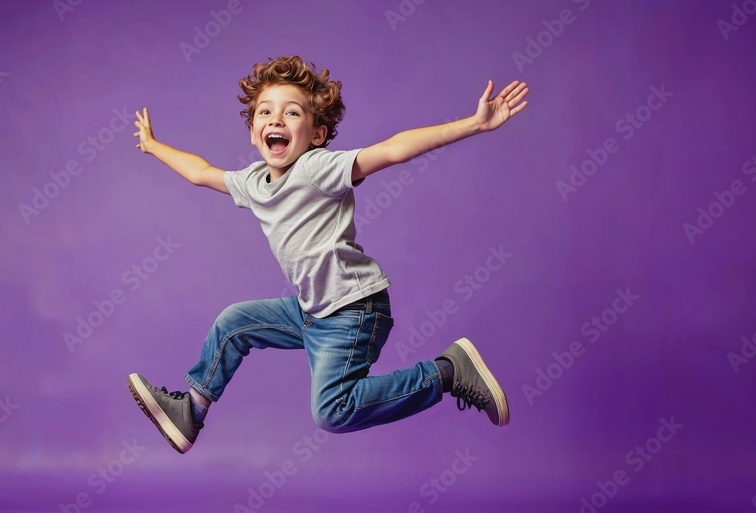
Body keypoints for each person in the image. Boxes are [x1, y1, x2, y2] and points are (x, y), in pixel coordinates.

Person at [128, 55, 528, 453]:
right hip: (312, 311)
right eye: (265, 112)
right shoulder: (253, 182)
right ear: (253, 133)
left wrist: (473, 124)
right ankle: (191, 413)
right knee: (234, 323)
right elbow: (200, 172)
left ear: (317, 134)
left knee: (333, 411)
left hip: (355, 309)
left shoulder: (318, 168)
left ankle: (447, 372)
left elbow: (392, 151)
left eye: (292, 113)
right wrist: (152, 145)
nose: (276, 120)